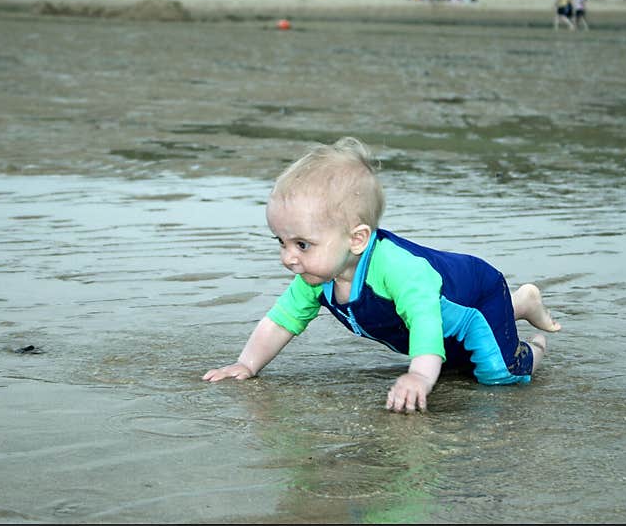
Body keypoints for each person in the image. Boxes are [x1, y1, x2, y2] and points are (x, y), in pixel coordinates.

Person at [202, 137, 561, 413]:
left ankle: (530, 346)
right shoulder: (317, 278)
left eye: (302, 244)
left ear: (356, 239)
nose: (288, 258)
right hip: (444, 317)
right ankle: (516, 305)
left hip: (476, 294)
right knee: (452, 361)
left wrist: (419, 376)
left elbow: (424, 323)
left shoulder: (398, 270)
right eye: (281, 242)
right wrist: (246, 364)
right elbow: (280, 322)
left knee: (497, 375)